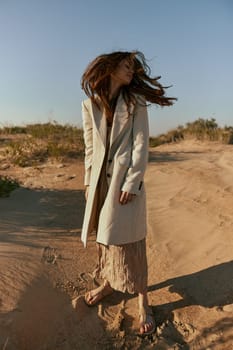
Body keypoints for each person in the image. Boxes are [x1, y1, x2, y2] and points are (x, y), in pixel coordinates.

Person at [81, 50, 176, 336]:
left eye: (133, 68)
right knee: (106, 239)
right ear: (109, 68)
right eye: (126, 66)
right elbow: (89, 148)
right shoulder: (89, 105)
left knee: (131, 242)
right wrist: (88, 182)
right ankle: (109, 283)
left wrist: (132, 182)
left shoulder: (136, 102)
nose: (131, 71)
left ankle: (143, 301)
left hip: (124, 181)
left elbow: (141, 144)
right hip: (99, 183)